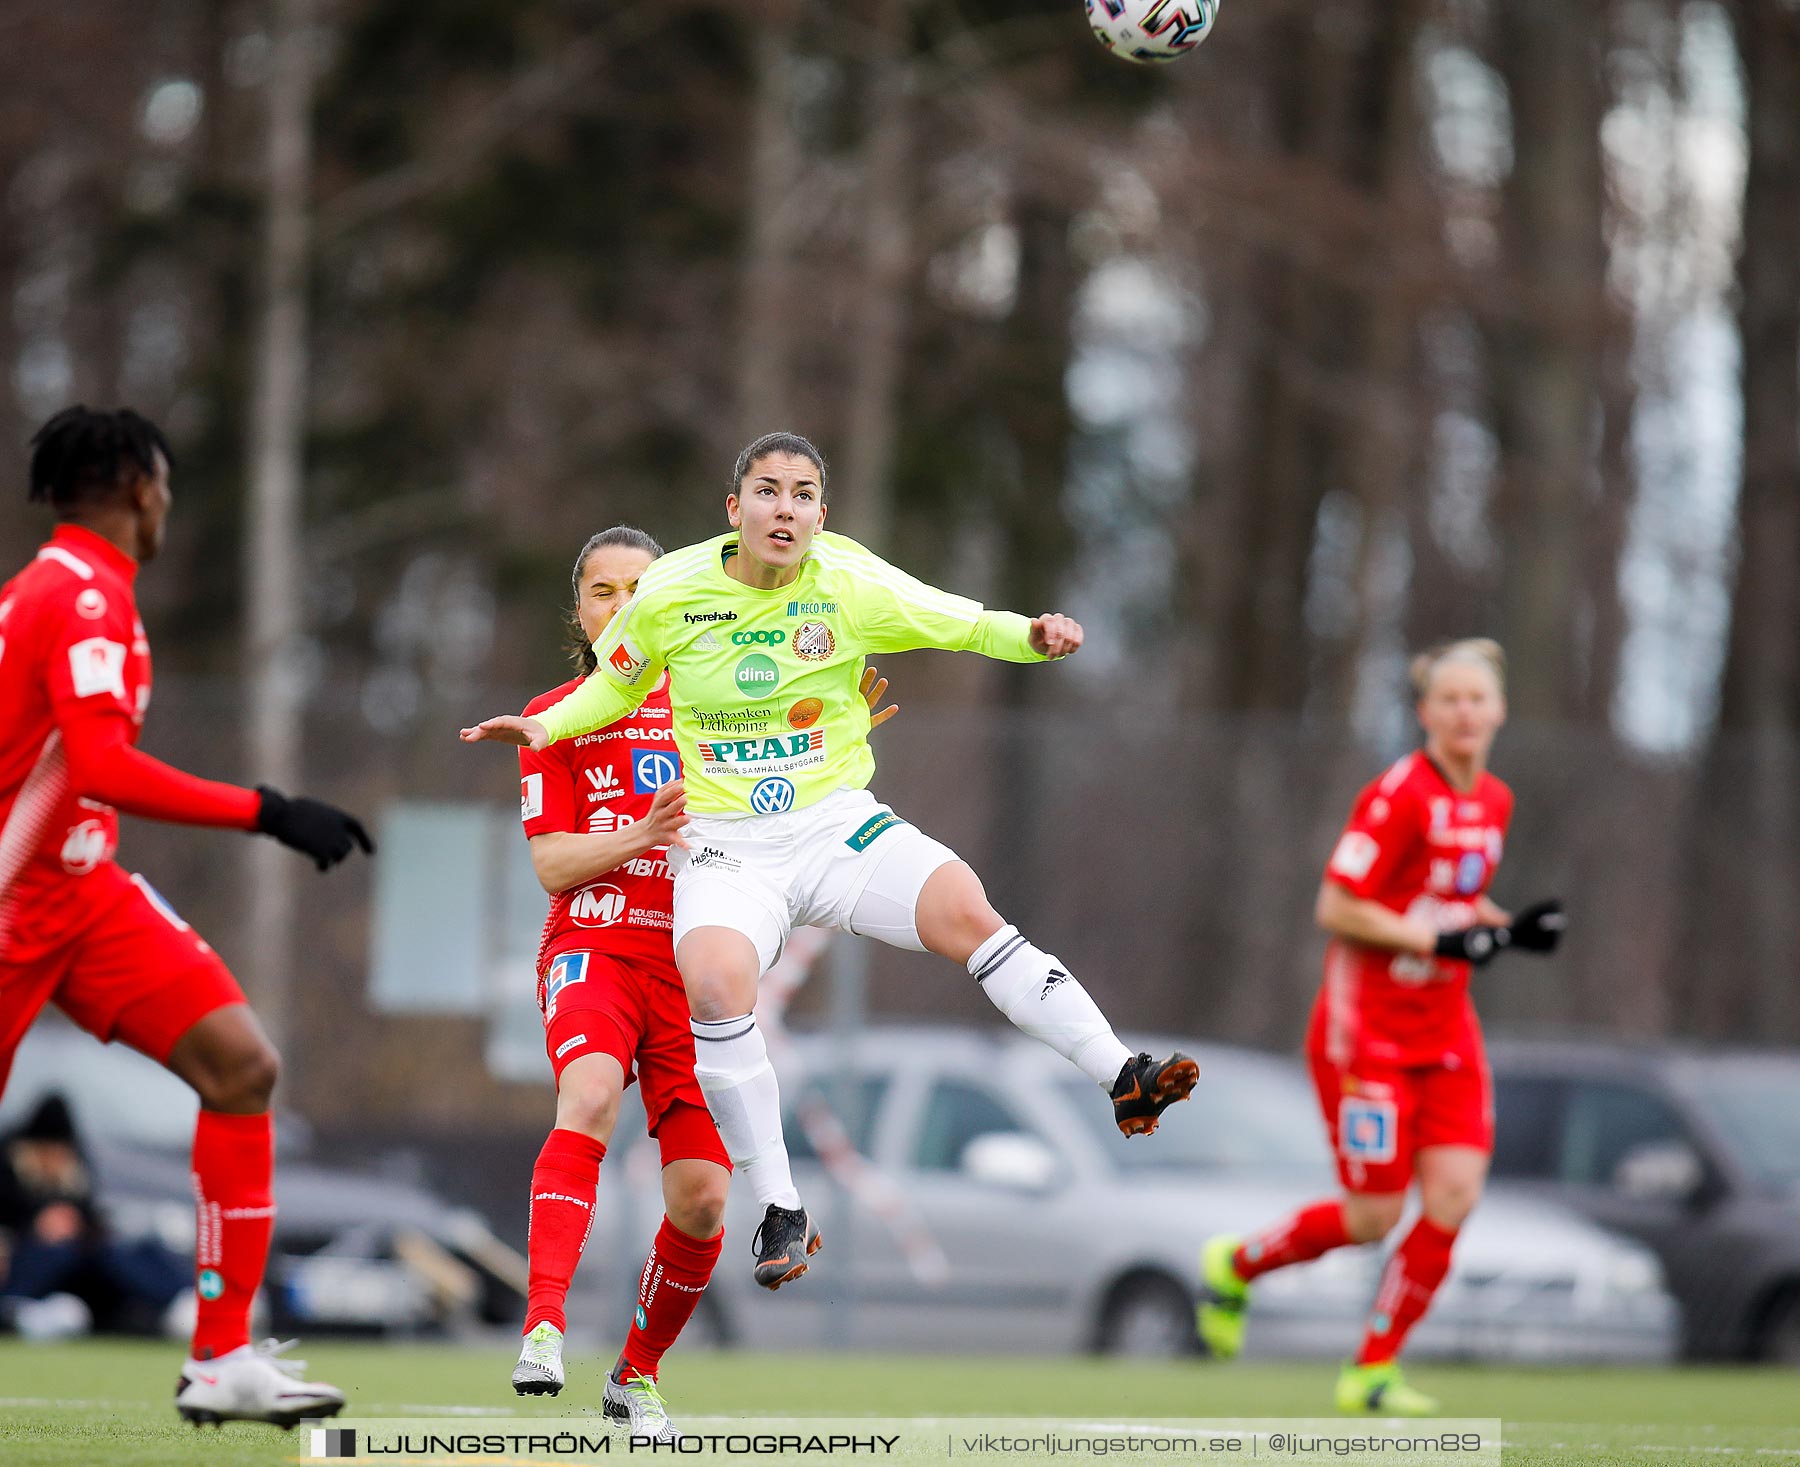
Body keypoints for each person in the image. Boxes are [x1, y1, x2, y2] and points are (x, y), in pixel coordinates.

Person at [464, 431, 1197, 1291]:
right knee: (713, 982)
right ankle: (780, 1207)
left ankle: (1123, 1074)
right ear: (734, 509)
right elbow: (615, 684)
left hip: (834, 825)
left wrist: (1031, 635)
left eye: (804, 494)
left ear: (821, 513)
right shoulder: (673, 590)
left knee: (969, 911)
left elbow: (955, 620)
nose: (787, 508)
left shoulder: (847, 582)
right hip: (731, 848)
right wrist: (546, 727)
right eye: (768, 491)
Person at [0, 407, 373, 1429]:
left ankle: (220, 1358)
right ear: (132, 482)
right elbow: (103, 765)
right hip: (13, 903)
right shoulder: (76, 596)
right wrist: (269, 809)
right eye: (161, 482)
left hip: (80, 891)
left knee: (240, 1067)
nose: (166, 501)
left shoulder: (83, 590)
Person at [509, 525, 897, 1439]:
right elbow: (553, 864)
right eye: (602, 591)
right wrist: (640, 835)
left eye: (637, 588)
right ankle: (543, 1327)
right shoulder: (558, 712)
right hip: (597, 953)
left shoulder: (720, 699)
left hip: (693, 976)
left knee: (703, 1196)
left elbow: (799, 790)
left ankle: (635, 1374)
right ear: (581, 610)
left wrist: (825, 728)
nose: (620, 606)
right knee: (590, 1092)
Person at [1196, 639, 1565, 1415]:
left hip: (1447, 1029)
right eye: (1450, 699)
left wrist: (1507, 926)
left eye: (1479, 699)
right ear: (1426, 711)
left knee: (1455, 1194)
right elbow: (1338, 905)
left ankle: (1371, 1368)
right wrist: (1440, 941)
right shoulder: (1398, 792)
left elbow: (1443, 900)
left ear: (1499, 710)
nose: (1465, 711)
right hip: (1367, 1035)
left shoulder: (1494, 800)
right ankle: (1236, 1264)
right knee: (1374, 1216)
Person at [0, 1092, 189, 1337]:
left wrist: (80, 1224)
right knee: (56, 1253)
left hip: (81, 1259)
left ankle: (179, 1300)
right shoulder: (7, 1171)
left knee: (127, 1252)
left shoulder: (77, 1170)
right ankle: (15, 1307)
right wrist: (36, 1223)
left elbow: (91, 1213)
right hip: (31, 1256)